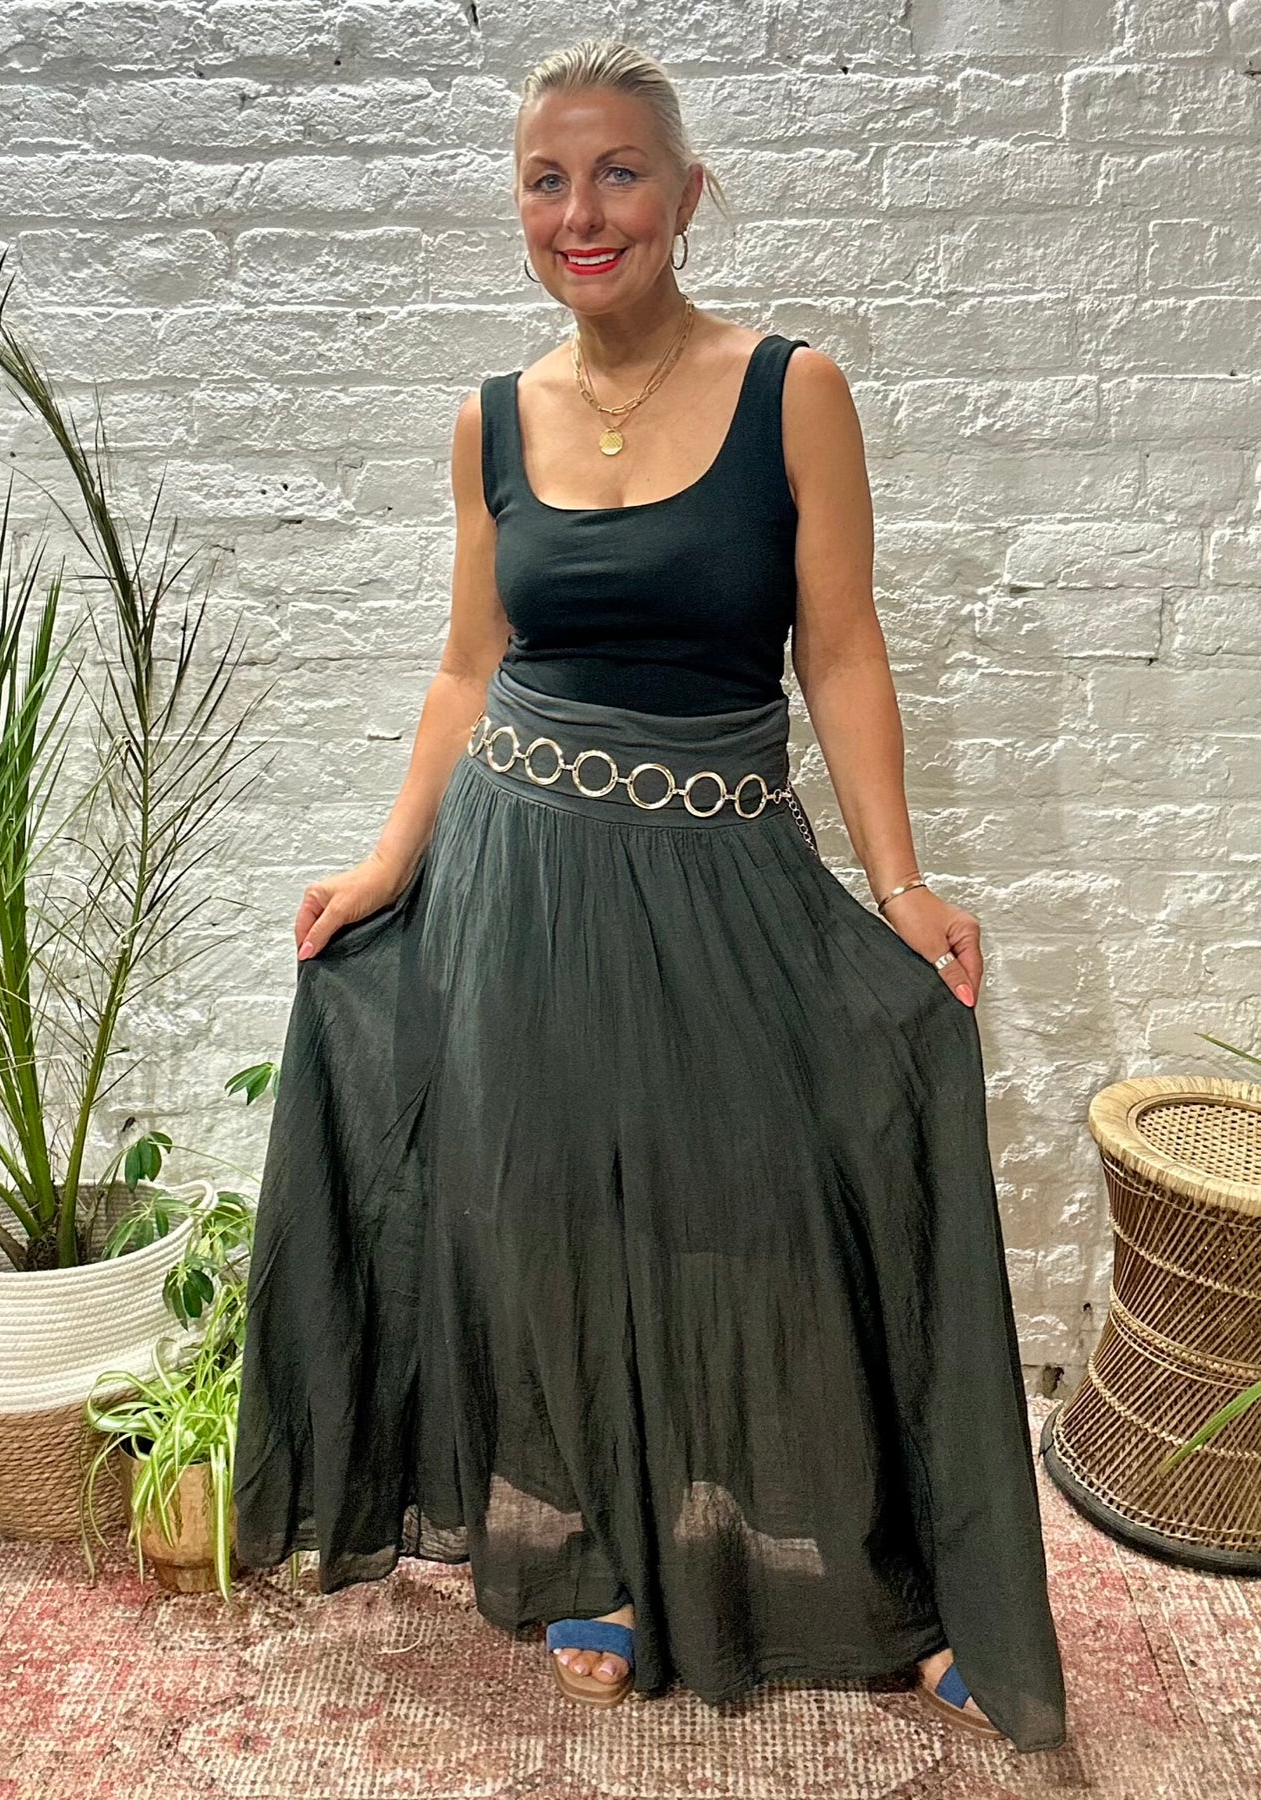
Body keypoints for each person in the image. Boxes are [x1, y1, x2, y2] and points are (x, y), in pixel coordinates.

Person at [232, 37, 1068, 1754]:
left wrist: (899, 881)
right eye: (545, 179)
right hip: (517, 878)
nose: (581, 210)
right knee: (543, 1225)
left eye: (617, 172)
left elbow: (838, 646)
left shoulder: (791, 390)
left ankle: (880, 1580)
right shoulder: (489, 418)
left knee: (771, 1223)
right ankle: (596, 1558)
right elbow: (469, 664)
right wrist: (387, 863)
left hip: (718, 870)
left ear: (687, 195)